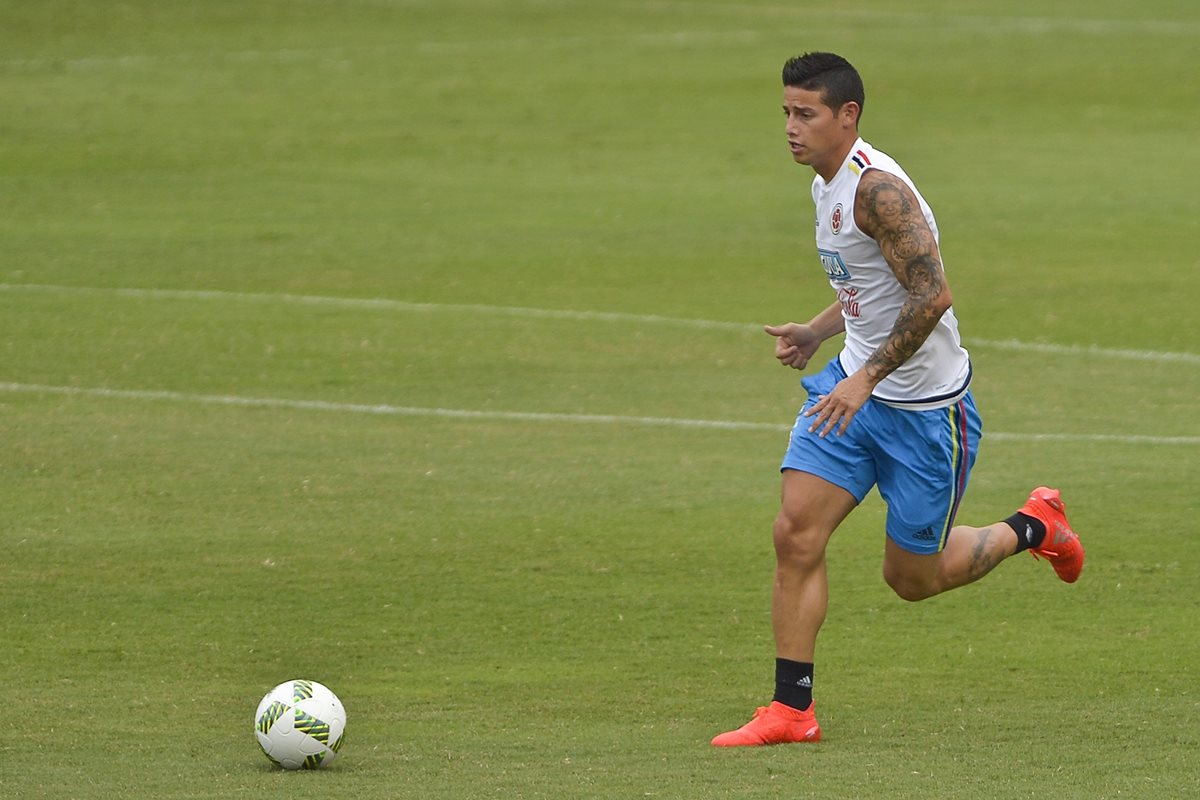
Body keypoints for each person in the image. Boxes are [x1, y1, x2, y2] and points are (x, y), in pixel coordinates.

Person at [710, 52, 1085, 747]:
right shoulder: (825, 183)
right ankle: (792, 711)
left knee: (912, 579)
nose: (791, 127)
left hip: (923, 412)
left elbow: (930, 294)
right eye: (786, 113)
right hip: (854, 390)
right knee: (794, 533)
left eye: (806, 114)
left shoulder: (878, 191)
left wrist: (866, 379)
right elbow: (867, 287)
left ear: (847, 116)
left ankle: (1034, 524)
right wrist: (819, 333)